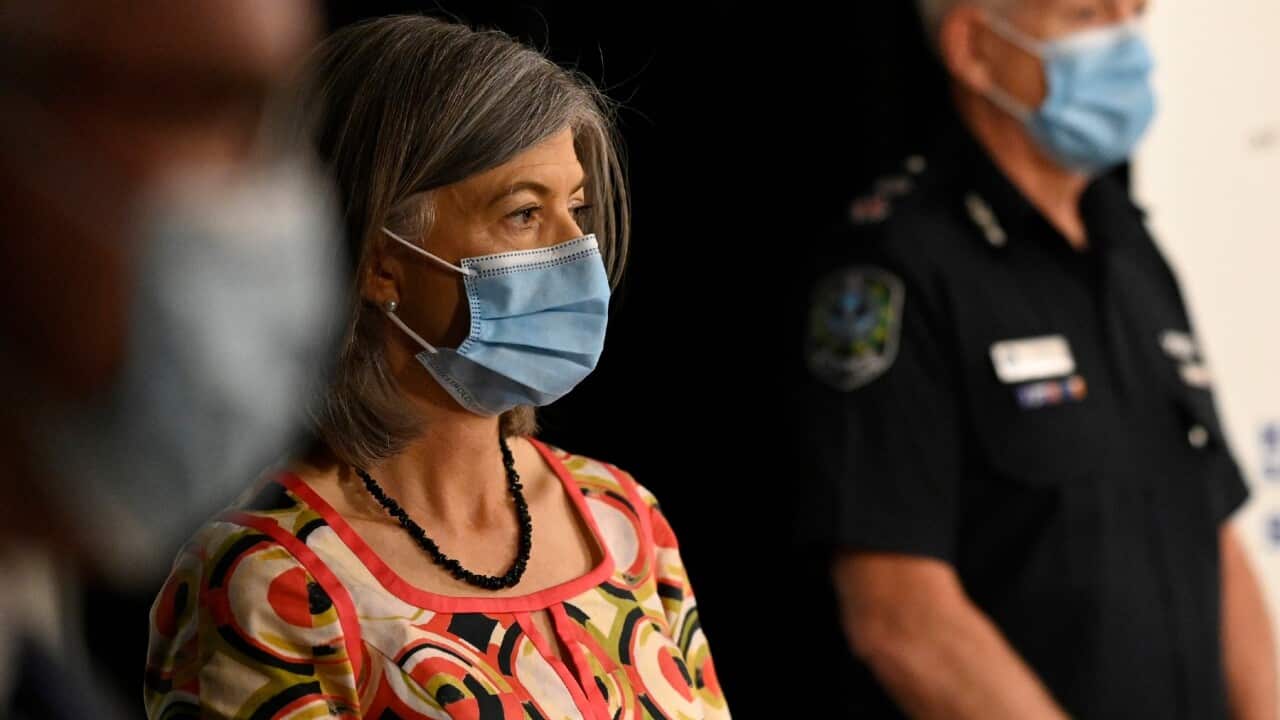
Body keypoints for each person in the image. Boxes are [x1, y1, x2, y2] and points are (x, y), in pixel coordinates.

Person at [144, 16, 730, 720]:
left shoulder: (624, 519)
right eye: (522, 214)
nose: (578, 251)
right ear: (379, 262)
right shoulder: (273, 579)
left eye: (576, 208)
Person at [794, 1, 1277, 717]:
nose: (1126, 41)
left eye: (1133, 12)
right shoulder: (894, 270)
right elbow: (899, 615)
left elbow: (1214, 534)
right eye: (1087, 13)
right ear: (974, 49)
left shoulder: (1133, 250)